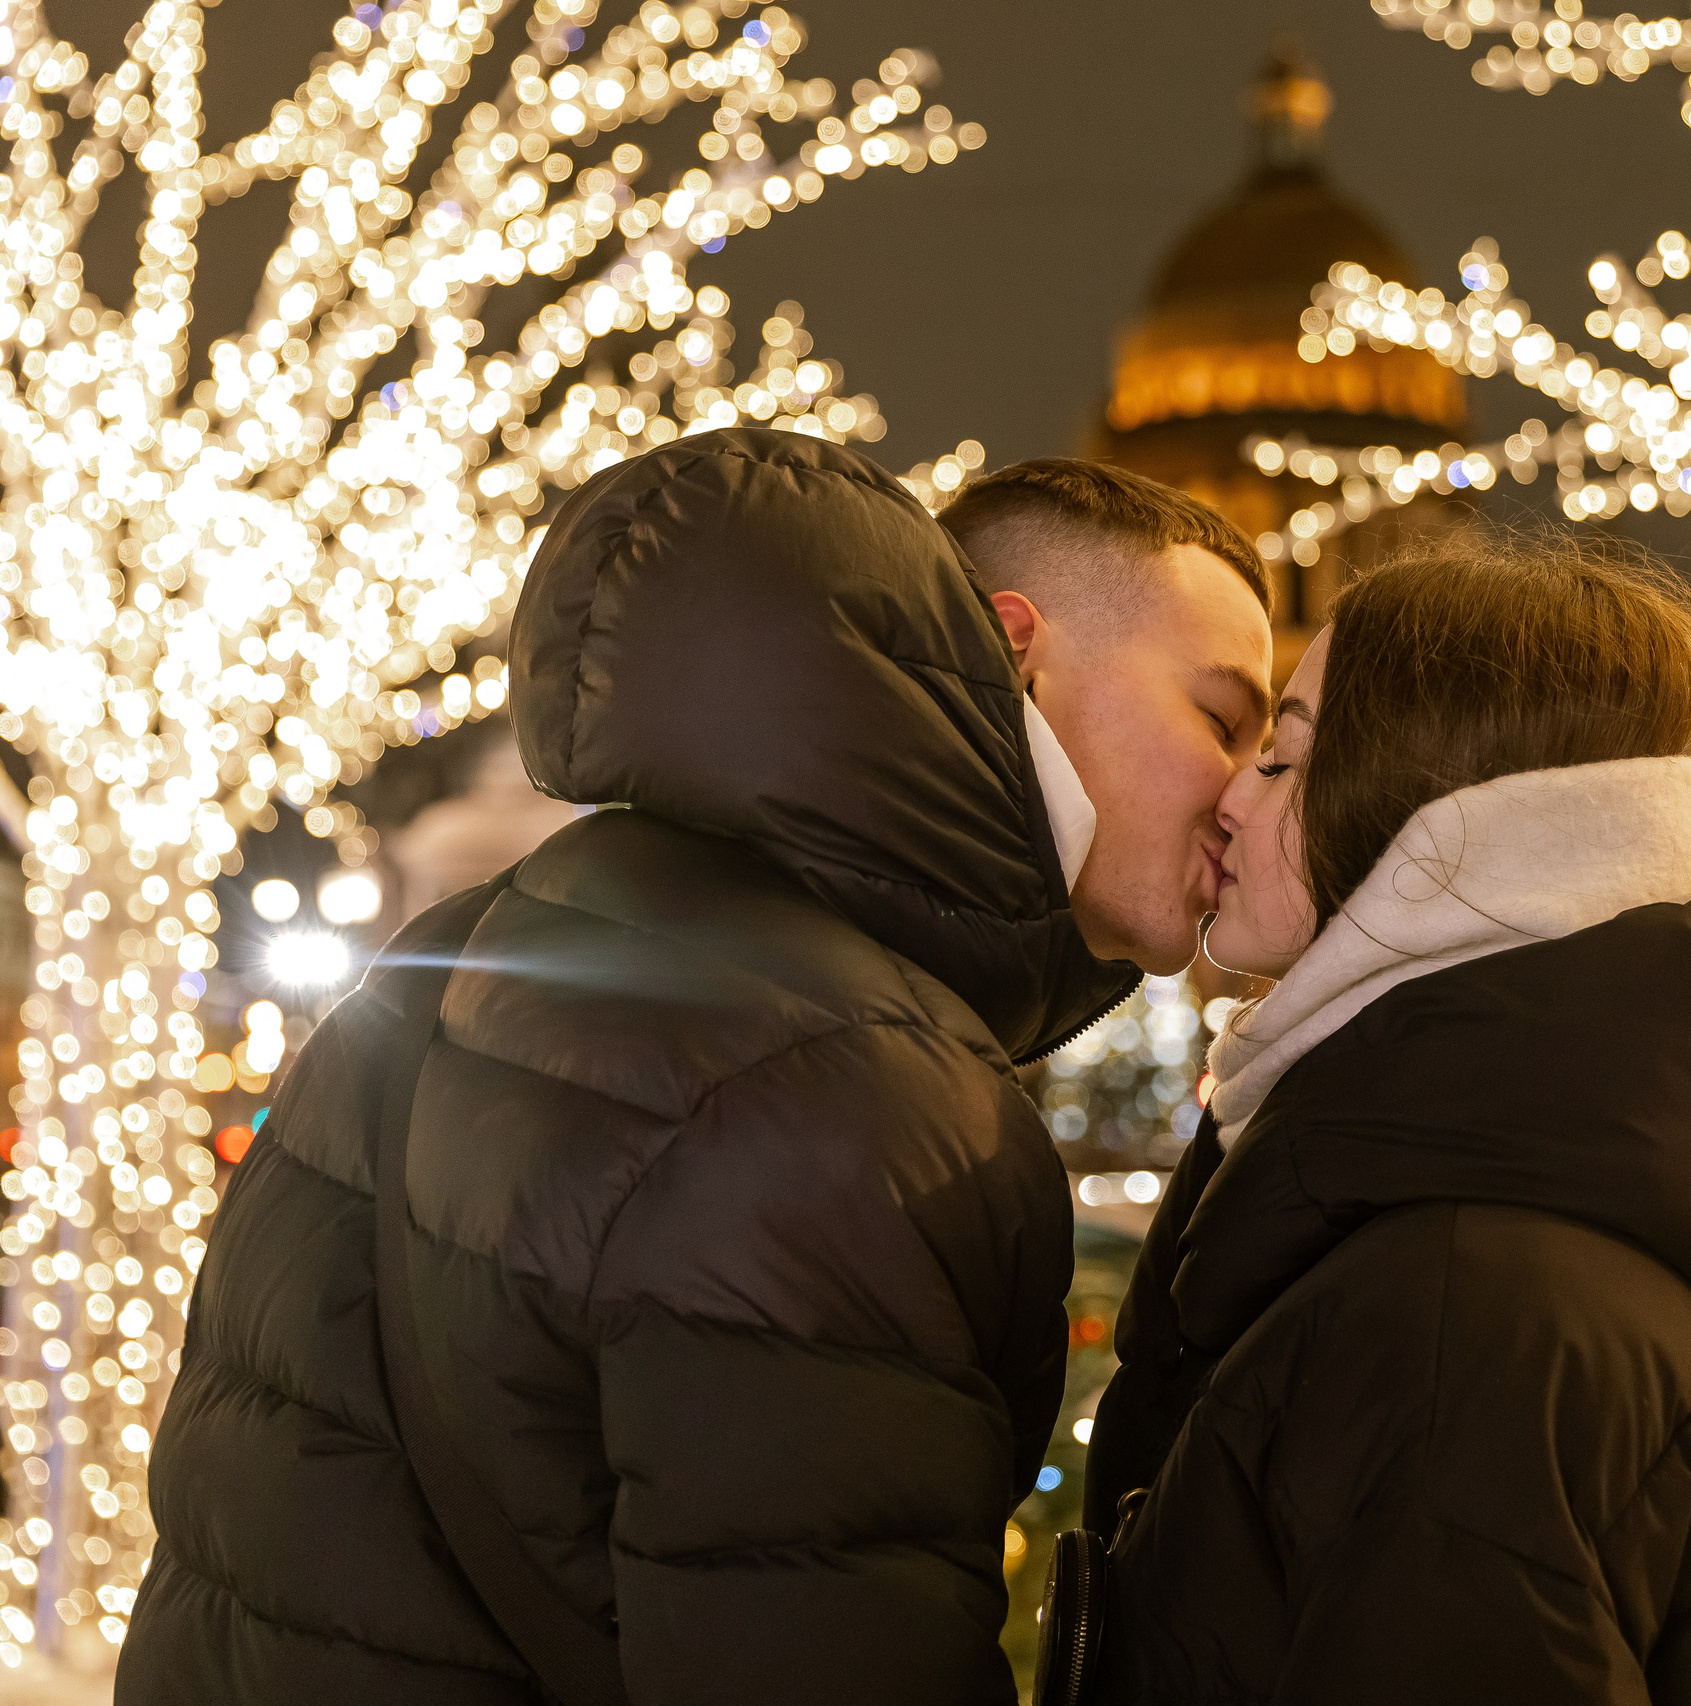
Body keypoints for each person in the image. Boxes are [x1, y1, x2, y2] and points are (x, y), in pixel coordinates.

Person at [120, 431, 1272, 1703]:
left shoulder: (479, 944)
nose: (1247, 794)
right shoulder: (848, 1083)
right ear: (1011, 648)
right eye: (1222, 717)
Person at [1083, 535, 1691, 1705]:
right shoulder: (1471, 1247)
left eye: (1286, 757)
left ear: (1440, 827)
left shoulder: (1457, 1323)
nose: (1228, 795)